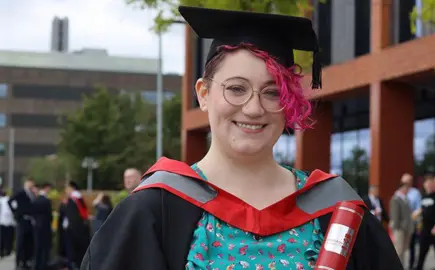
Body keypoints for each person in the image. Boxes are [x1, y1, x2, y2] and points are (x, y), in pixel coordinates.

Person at [81, 6, 403, 270]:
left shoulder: (334, 208)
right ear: (203, 94)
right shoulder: (156, 208)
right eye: (236, 88)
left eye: (272, 92)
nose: (253, 108)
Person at [412, 176, 435, 270]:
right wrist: (416, 213)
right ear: (424, 185)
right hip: (425, 229)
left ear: (434, 185)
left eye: (431, 183)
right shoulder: (424, 197)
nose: (429, 186)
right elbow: (424, 208)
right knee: (422, 252)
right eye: (427, 184)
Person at [8, 179, 36, 269]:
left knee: (29, 242)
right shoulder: (21, 192)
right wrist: (16, 213)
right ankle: (18, 262)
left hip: (30, 220)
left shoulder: (32, 194)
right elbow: (10, 201)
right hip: (22, 220)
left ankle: (26, 261)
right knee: (20, 242)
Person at [64, 181, 90, 269]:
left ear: (72, 188)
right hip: (81, 230)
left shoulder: (73, 200)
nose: (66, 190)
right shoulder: (79, 198)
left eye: (67, 188)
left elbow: (72, 217)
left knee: (74, 255)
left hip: (75, 232)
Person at [389, 182, 414, 267]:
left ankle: (401, 266)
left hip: (406, 228)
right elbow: (395, 215)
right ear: (401, 188)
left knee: (403, 249)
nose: (407, 190)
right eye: (406, 188)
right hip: (399, 228)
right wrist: (396, 228)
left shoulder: (405, 198)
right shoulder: (396, 199)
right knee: (398, 249)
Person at [401, 173, 422, 270]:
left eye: (407, 181)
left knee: (412, 246)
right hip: (401, 224)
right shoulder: (399, 192)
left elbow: (419, 208)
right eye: (403, 181)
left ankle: (411, 266)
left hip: (411, 223)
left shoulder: (415, 193)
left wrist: (412, 216)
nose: (405, 183)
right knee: (400, 246)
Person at [32, 183, 53, 270]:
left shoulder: (36, 199)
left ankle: (37, 265)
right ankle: (42, 265)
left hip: (37, 225)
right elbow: (49, 214)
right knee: (43, 248)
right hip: (44, 226)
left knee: (38, 247)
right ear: (46, 188)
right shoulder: (45, 200)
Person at [0, 189, 15, 258]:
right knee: (8, 238)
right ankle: (7, 250)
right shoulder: (10, 200)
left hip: (3, 221)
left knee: (2, 238)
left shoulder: (2, 200)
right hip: (9, 222)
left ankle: (2, 250)